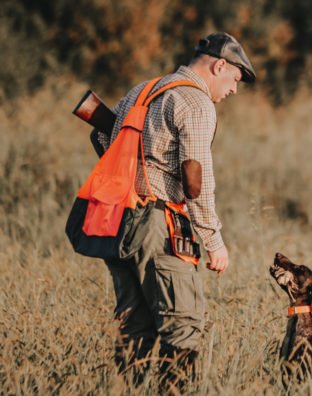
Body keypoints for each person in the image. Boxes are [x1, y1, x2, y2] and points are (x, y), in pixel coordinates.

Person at [90, 32, 255, 389]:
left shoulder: (144, 90)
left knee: (134, 328)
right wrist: (214, 242)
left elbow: (101, 138)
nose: (234, 90)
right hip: (159, 225)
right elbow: (196, 183)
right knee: (183, 326)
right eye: (235, 79)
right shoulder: (196, 103)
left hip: (119, 222)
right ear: (219, 65)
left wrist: (130, 180)